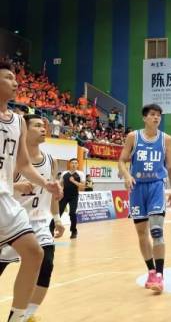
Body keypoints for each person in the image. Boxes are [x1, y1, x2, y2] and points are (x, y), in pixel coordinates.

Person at [0, 61, 62, 322]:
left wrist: (46, 184)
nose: (15, 82)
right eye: (8, 77)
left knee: (36, 254)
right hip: (11, 200)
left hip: (6, 202)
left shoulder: (17, 121)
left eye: (16, 78)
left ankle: (19, 318)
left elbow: (24, 165)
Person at [117, 104, 171, 294]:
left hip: (156, 186)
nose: (156, 117)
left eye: (158, 115)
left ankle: (160, 275)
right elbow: (121, 160)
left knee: (157, 231)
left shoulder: (166, 139)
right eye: (152, 114)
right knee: (142, 233)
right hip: (137, 188)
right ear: (144, 118)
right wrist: (127, 175)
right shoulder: (133, 137)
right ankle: (151, 271)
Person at [59, 158, 85, 239]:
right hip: (64, 196)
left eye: (76, 163)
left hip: (74, 196)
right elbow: (60, 184)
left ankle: (74, 231)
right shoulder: (64, 173)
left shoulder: (80, 174)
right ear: (69, 164)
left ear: (78, 165)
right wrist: (60, 191)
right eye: (72, 163)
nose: (74, 164)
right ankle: (51, 229)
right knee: (59, 212)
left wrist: (73, 181)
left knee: (72, 213)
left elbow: (82, 186)